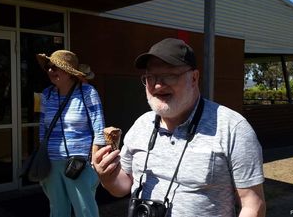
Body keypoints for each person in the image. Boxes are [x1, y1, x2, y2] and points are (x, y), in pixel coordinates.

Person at [93, 38, 266, 217]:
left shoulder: (232, 128)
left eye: (169, 75)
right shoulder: (141, 125)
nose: (158, 85)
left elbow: (253, 204)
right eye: (150, 77)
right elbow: (124, 186)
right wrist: (108, 177)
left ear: (194, 78)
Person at [36, 50, 105, 217]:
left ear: (69, 72)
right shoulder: (46, 94)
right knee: (57, 210)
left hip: (79, 164)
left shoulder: (87, 92)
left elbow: (99, 129)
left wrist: (94, 163)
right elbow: (42, 128)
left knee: (85, 210)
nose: (51, 71)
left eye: (56, 67)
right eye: (49, 67)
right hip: (51, 163)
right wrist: (41, 155)